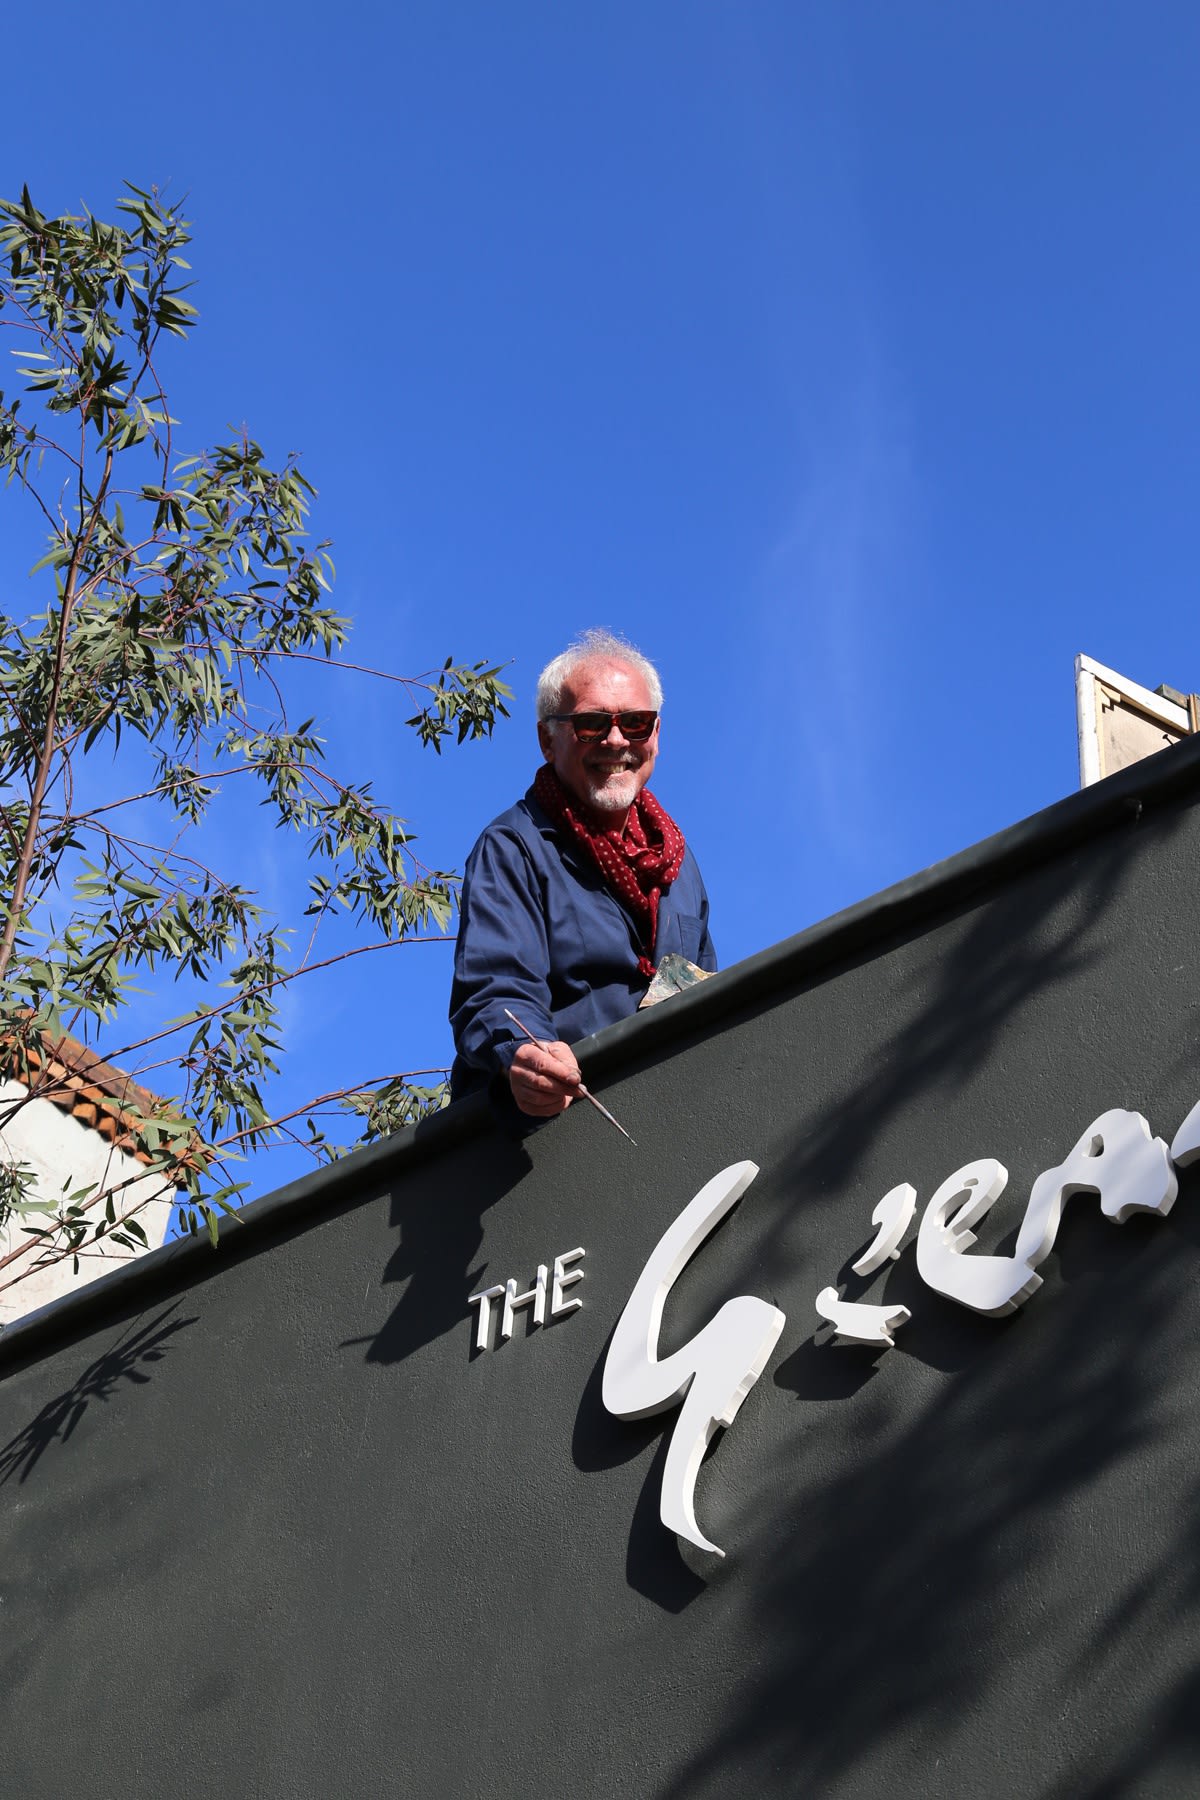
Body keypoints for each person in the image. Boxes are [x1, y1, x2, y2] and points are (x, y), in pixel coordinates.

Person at [449, 629, 716, 1124]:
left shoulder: (679, 866)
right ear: (548, 739)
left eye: (635, 723)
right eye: (593, 724)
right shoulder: (514, 847)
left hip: (667, 1121)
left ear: (655, 735)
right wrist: (524, 1056)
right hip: (546, 1136)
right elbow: (495, 991)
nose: (617, 740)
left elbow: (708, 994)